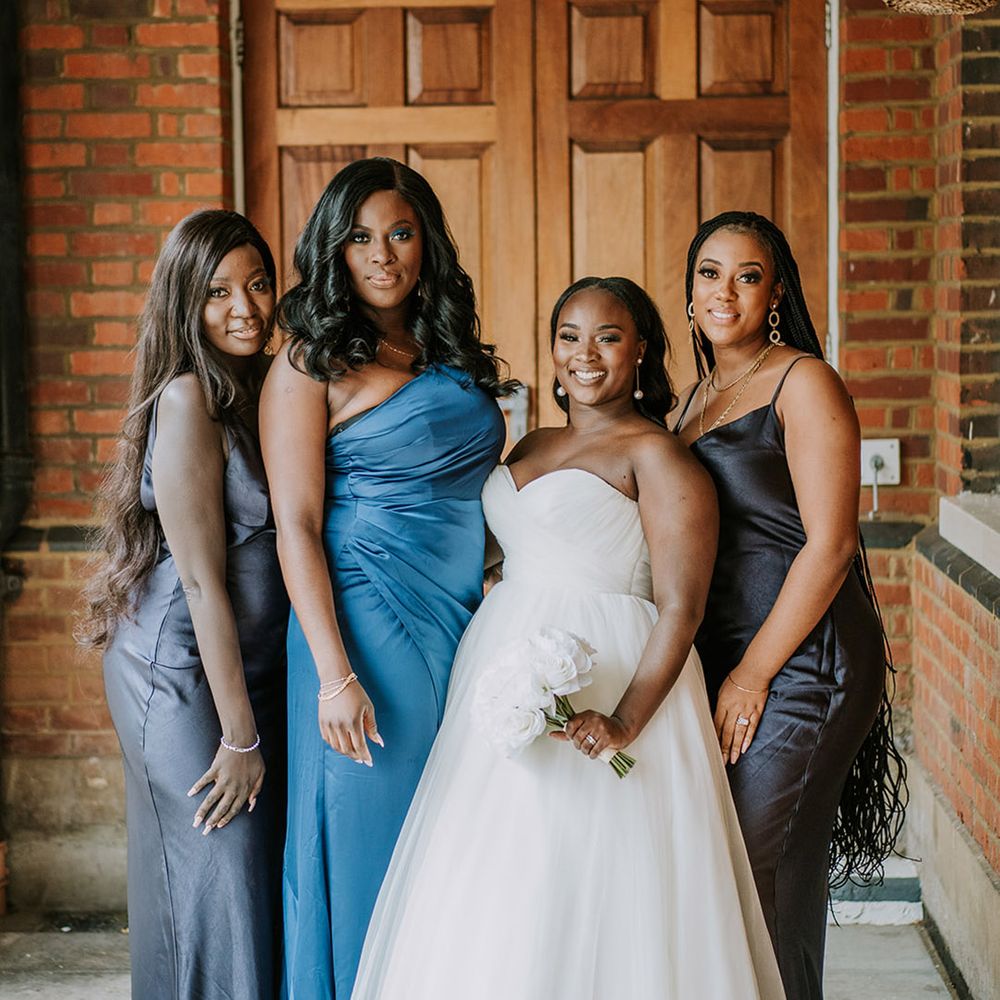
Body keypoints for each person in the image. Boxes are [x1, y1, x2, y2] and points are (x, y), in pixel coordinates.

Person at [352, 276, 786, 1000]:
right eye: (569, 337)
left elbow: (682, 606)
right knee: (501, 870)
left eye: (608, 337)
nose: (586, 355)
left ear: (641, 350)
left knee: (595, 875)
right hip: (503, 664)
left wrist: (623, 718)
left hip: (611, 668)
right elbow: (503, 549)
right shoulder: (532, 441)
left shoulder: (658, 456)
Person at [260, 157, 510, 998]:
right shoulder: (306, 364)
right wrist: (334, 674)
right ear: (332, 249)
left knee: (457, 841)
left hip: (463, 619)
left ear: (426, 243)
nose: (382, 254)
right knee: (376, 834)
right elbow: (294, 523)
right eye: (360, 237)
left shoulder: (446, 348)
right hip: (363, 622)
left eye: (400, 233)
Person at [672, 211, 907, 1000]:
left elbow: (832, 544)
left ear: (775, 293)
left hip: (805, 658)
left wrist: (752, 673)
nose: (725, 292)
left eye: (747, 276)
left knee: (764, 866)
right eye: (710, 273)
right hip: (733, 655)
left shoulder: (802, 380)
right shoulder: (692, 399)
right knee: (734, 872)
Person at [78, 210, 288, 1000]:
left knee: (226, 881)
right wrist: (239, 735)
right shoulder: (186, 398)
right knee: (222, 859)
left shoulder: (261, 386)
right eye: (218, 292)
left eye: (259, 284)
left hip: (248, 665)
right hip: (180, 672)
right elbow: (202, 581)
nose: (246, 307)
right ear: (183, 304)